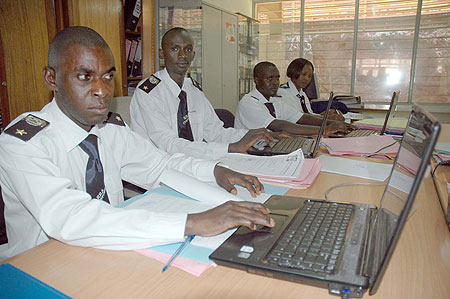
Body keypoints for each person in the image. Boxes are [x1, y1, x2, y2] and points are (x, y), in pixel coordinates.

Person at [0, 26, 274, 261]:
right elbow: (71, 218)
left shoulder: (109, 130)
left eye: (107, 76)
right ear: (52, 79)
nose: (102, 90)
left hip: (111, 252)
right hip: (41, 264)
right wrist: (192, 222)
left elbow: (161, 165)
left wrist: (214, 171)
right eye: (85, 77)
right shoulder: (23, 143)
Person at [129, 27, 274, 159]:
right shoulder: (148, 93)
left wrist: (253, 135)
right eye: (175, 49)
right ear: (161, 53)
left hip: (191, 163)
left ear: (193, 54)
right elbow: (169, 144)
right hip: (159, 166)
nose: (182, 55)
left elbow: (216, 132)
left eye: (188, 49)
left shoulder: (193, 90)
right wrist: (230, 148)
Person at [235, 61, 353, 136]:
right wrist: (324, 130)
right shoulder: (249, 103)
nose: (275, 83)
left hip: (273, 143)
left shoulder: (274, 100)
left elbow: (301, 117)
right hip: (252, 151)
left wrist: (332, 123)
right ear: (256, 80)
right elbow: (279, 126)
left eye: (277, 78)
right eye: (270, 79)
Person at [279, 58, 348, 120]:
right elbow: (298, 119)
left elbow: (309, 114)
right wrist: (326, 118)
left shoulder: (302, 94)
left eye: (310, 76)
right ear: (294, 72)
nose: (307, 79)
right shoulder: (284, 93)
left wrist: (325, 114)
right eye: (303, 74)